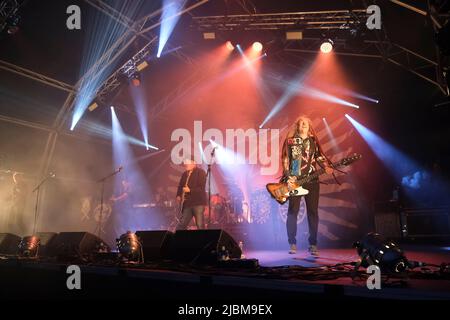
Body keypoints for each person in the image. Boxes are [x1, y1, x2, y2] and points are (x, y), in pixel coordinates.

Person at [281, 116, 334, 256]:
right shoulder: (292, 141)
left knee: (313, 212)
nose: (304, 125)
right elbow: (286, 158)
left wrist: (326, 166)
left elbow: (318, 156)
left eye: (306, 123)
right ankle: (292, 243)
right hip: (296, 180)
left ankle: (313, 243)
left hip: (312, 180)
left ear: (309, 127)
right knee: (293, 211)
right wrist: (289, 176)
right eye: (301, 123)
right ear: (297, 126)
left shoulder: (312, 142)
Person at [176, 158, 207, 230]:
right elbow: (180, 186)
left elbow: (201, 188)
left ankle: (203, 240)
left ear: (194, 163)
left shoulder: (201, 172)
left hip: (198, 203)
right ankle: (178, 240)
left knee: (199, 225)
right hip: (188, 203)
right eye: (185, 162)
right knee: (182, 224)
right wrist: (178, 195)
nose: (185, 164)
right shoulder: (184, 174)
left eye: (187, 162)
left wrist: (190, 190)